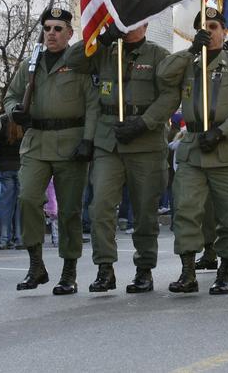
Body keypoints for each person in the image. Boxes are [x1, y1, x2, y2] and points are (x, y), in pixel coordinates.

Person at [68, 23, 178, 295]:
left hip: (145, 142)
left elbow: (170, 96)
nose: (128, 26)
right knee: (100, 207)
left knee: (144, 212)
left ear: (146, 25)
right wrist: (103, 39)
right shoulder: (105, 52)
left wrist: (145, 123)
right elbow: (72, 61)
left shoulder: (159, 56)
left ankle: (144, 269)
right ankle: (105, 267)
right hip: (109, 140)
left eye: (134, 21)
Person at [158, 7, 228, 294]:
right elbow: (163, 75)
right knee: (186, 209)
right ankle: (188, 271)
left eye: (214, 26)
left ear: (224, 31)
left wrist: (221, 132)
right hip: (193, 146)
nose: (210, 31)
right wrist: (191, 50)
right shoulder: (190, 62)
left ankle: (226, 269)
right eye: (205, 27)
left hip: (224, 147)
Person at [4, 6, 96, 295]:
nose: (52, 33)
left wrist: (88, 140)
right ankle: (36, 266)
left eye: (58, 29)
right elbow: (11, 96)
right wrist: (14, 112)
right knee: (28, 198)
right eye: (47, 28)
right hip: (36, 141)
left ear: (69, 33)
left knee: (69, 210)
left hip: (71, 142)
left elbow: (93, 102)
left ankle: (69, 272)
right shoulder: (31, 64)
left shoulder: (79, 62)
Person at [0, 113, 23, 250]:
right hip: (21, 167)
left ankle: (4, 239)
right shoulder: (24, 122)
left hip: (5, 167)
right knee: (20, 205)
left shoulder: (1, 122)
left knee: (6, 205)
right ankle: (20, 238)